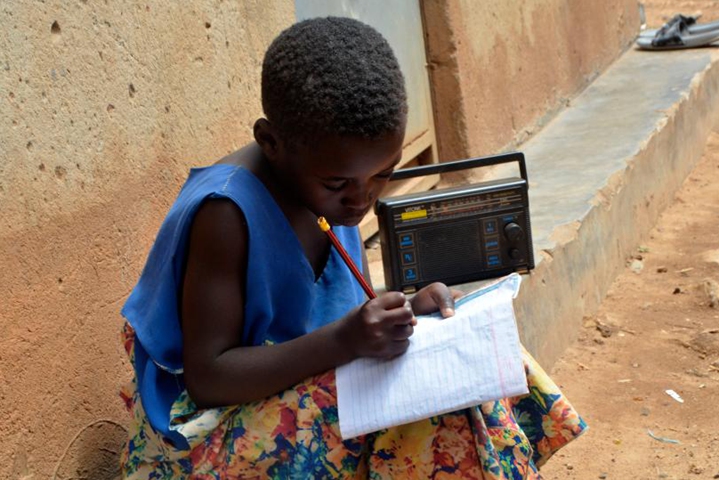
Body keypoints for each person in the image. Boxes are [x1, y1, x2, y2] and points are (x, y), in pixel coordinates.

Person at [119, 16, 585, 479]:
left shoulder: (326, 187)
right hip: (201, 441)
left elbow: (341, 315)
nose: (362, 198)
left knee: (473, 369)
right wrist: (345, 339)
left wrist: (408, 312)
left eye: (383, 174)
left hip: (288, 393)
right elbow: (208, 379)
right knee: (437, 414)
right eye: (339, 183)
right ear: (271, 143)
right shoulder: (224, 214)